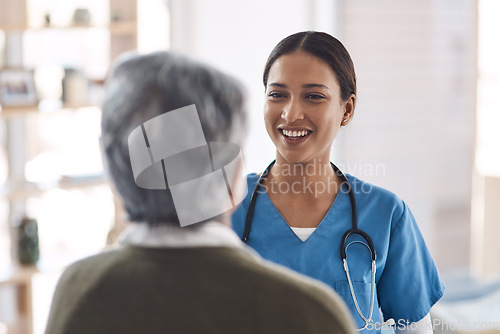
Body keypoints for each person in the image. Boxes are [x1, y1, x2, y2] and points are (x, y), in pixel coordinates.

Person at [45, 51, 356, 334]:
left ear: (115, 173)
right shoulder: (309, 313)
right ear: (234, 176)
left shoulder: (78, 289)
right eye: (277, 94)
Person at [231, 31, 445, 333]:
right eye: (277, 94)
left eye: (313, 96)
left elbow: (414, 329)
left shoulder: (386, 215)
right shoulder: (223, 208)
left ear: (347, 109)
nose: (291, 113)